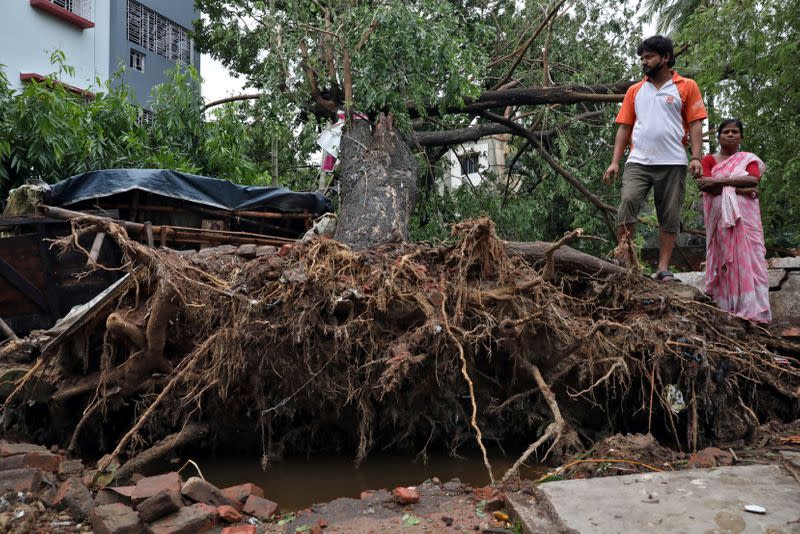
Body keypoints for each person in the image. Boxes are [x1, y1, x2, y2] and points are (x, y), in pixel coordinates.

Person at [603, 35, 707, 281]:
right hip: (638, 160)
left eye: (649, 57)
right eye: (642, 58)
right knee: (628, 202)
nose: (644, 62)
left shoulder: (686, 86)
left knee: (669, 215)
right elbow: (624, 128)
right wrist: (615, 161)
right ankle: (626, 260)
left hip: (673, 162)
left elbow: (695, 124)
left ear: (666, 57)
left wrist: (695, 157)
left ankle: (662, 267)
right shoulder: (635, 90)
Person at [698, 119, 771, 323]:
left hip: (746, 218)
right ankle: (726, 307)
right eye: (726, 132)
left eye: (735, 132)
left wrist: (721, 181)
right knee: (725, 259)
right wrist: (742, 189)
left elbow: (753, 180)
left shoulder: (748, 159)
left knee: (752, 258)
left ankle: (755, 310)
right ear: (719, 136)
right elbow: (706, 186)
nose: (730, 135)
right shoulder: (709, 160)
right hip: (721, 218)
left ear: (741, 137)